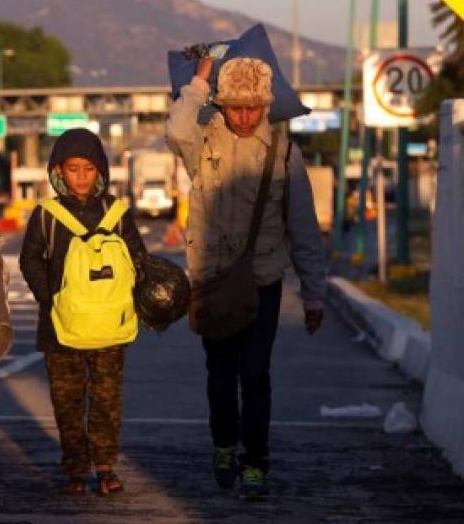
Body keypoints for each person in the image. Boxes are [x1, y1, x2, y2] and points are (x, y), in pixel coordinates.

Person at [166, 56, 326, 501]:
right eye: (235, 107)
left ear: (265, 106)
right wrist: (198, 81)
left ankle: (255, 462)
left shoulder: (284, 153)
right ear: (221, 104)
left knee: (255, 375)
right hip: (213, 280)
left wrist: (315, 295)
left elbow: (304, 230)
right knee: (220, 375)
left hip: (262, 282)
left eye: (252, 108)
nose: (243, 116)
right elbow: (176, 131)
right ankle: (223, 443)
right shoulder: (202, 143)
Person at [19, 128, 147, 496]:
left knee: (107, 400)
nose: (80, 177)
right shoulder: (46, 216)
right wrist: (52, 299)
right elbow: (30, 261)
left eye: (88, 169)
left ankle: (105, 467)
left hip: (109, 326)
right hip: (60, 327)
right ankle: (75, 468)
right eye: (72, 169)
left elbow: (138, 260)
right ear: (58, 171)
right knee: (67, 401)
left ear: (100, 170)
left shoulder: (117, 213)